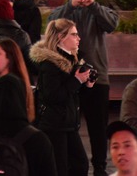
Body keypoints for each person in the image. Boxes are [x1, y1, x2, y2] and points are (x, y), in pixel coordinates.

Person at [46, 0, 118, 176]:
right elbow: (51, 25)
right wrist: (71, 6)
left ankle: (100, 167)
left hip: (97, 78)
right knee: (68, 124)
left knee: (98, 127)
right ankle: (71, 166)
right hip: (69, 78)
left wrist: (93, 5)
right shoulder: (64, 12)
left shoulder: (99, 10)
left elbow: (112, 24)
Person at [31, 19, 94, 176]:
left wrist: (86, 84)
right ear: (60, 37)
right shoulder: (50, 63)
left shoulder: (72, 60)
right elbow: (52, 96)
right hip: (54, 125)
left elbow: (71, 93)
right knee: (61, 168)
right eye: (74, 34)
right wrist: (77, 80)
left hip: (68, 123)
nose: (78, 38)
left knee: (80, 165)